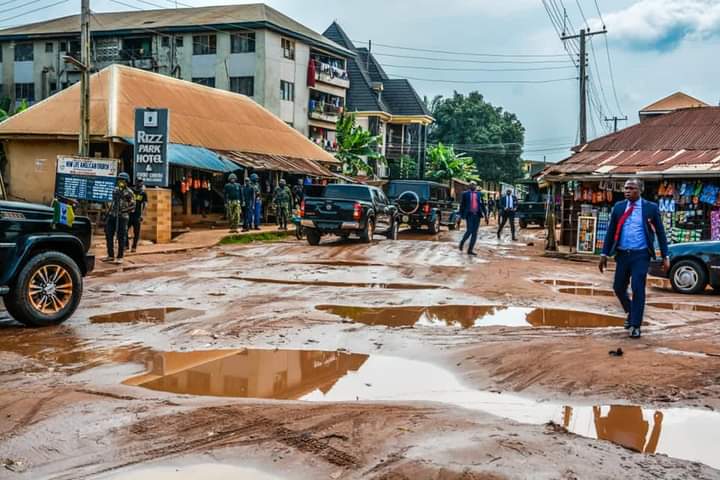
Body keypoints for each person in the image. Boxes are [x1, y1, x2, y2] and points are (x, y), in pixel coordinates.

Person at [599, 178, 669, 338]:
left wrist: (665, 255)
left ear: (640, 190)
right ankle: (631, 312)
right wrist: (603, 254)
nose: (627, 191)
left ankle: (635, 326)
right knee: (618, 288)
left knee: (638, 288)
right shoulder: (619, 207)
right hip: (622, 254)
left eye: (631, 188)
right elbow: (610, 232)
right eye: (625, 188)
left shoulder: (650, 208)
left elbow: (660, 232)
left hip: (641, 255)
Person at [103, 172, 135, 265]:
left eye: (123, 180)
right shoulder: (115, 190)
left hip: (122, 217)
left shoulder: (129, 192)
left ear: (126, 182)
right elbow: (111, 202)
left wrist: (123, 211)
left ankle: (120, 256)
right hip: (112, 215)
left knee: (121, 237)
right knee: (109, 235)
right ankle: (110, 255)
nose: (120, 182)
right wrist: (108, 212)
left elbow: (133, 206)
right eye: (119, 180)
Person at [457, 181, 486, 256]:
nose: (473, 186)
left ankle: (470, 250)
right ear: (469, 186)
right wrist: (460, 215)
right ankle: (462, 242)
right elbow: (462, 205)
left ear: (476, 186)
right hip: (469, 215)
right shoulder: (465, 194)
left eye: (475, 185)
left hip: (477, 215)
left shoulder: (479, 194)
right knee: (469, 230)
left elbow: (482, 205)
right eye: (472, 185)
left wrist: (486, 215)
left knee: (475, 233)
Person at [127, 178, 148, 253]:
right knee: (124, 230)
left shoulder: (143, 193)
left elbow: (145, 205)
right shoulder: (130, 191)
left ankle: (134, 247)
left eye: (141, 182)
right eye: (138, 182)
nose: (140, 184)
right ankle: (126, 245)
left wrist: (142, 215)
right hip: (129, 214)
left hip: (137, 215)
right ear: (135, 183)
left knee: (136, 232)